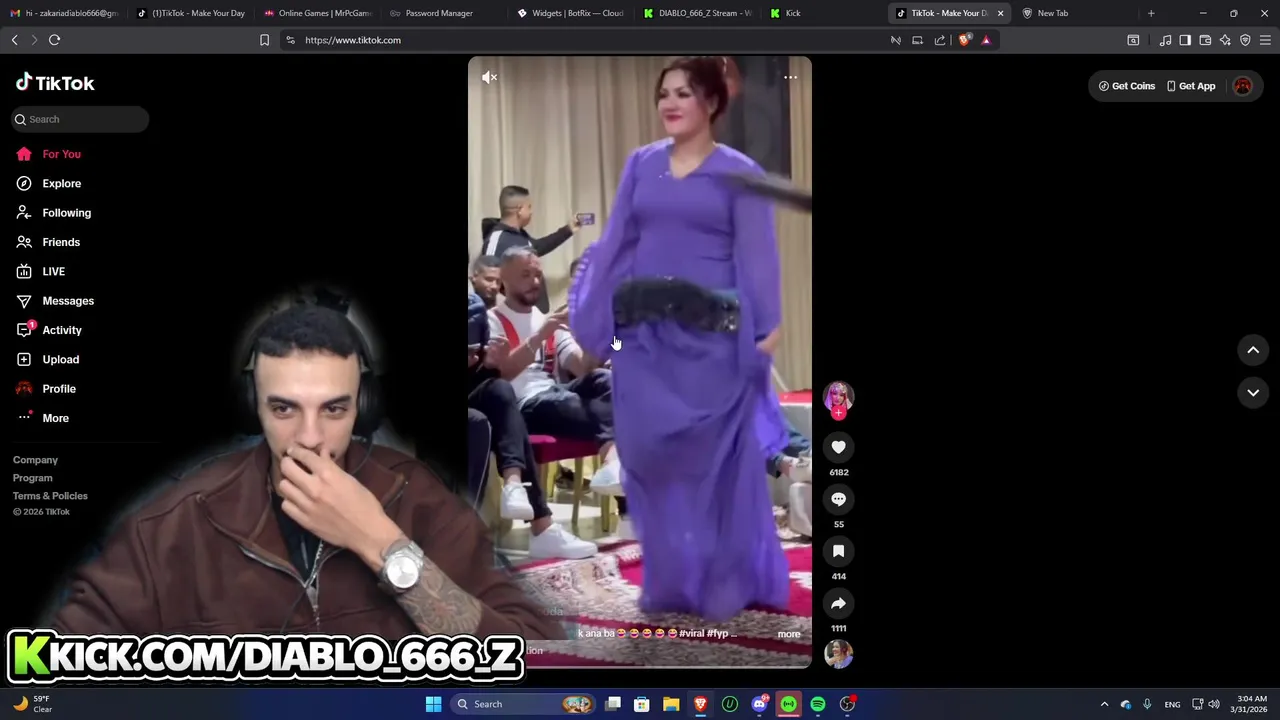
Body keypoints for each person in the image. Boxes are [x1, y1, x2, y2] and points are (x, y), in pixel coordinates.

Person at [53, 304, 564, 639]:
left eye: (335, 409)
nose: (311, 437)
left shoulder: (421, 501)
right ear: (253, 408)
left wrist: (383, 545)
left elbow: (537, 655)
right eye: (284, 409)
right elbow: (52, 667)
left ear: (362, 409)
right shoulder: (171, 526)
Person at [568, 57, 793, 621]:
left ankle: (724, 578)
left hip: (713, 343)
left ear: (712, 102)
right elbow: (617, 242)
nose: (669, 103)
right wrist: (597, 315)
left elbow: (758, 258)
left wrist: (765, 331)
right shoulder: (641, 164)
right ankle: (673, 576)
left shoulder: (740, 172)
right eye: (663, 93)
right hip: (644, 340)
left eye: (683, 93)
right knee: (647, 451)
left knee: (713, 462)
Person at [490, 247, 625, 498]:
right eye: (526, 275)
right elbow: (501, 375)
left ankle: (613, 465)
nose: (535, 282)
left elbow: (584, 368)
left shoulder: (549, 319)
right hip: (523, 405)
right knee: (608, 408)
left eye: (538, 275)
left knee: (607, 381)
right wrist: (541, 335)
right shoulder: (493, 320)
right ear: (503, 278)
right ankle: (620, 474)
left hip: (555, 393)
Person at [481, 185, 581, 312]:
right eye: (529, 207)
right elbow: (488, 281)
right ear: (520, 209)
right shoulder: (496, 240)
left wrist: (569, 229)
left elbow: (539, 246)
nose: (531, 212)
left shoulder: (521, 236)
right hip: (512, 319)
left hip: (533, 317)